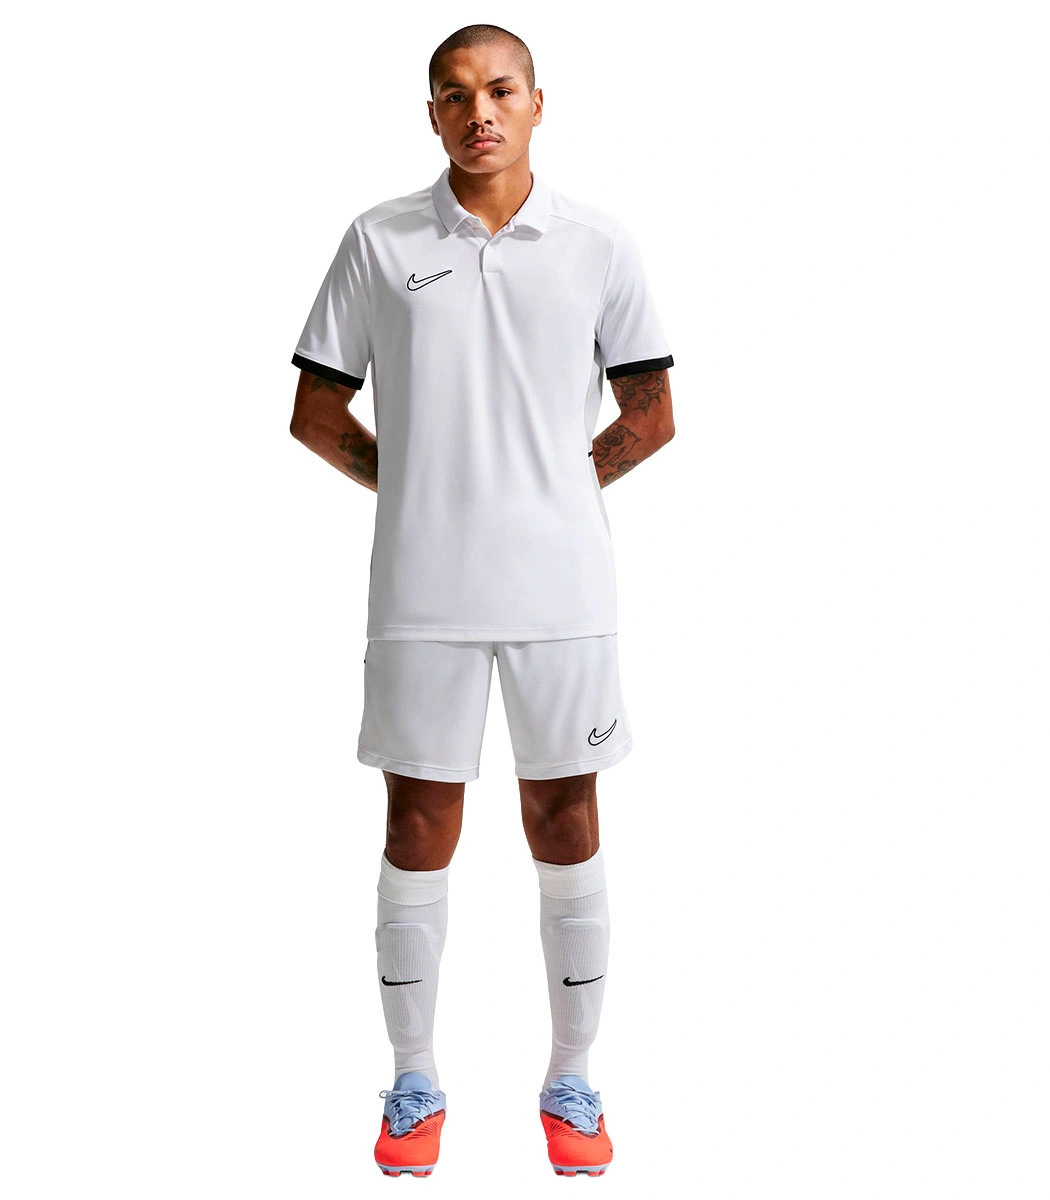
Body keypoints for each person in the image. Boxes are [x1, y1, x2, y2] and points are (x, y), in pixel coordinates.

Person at [289, 23, 674, 1179]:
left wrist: (554, 488)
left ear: (537, 102)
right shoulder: (379, 239)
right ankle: (414, 1081)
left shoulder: (598, 243)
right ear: (433, 115)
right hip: (423, 590)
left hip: (563, 591)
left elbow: (652, 416)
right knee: (418, 827)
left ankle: (572, 1078)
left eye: (500, 90)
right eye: (454, 96)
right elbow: (316, 415)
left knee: (566, 819)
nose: (479, 112)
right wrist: (413, 482)